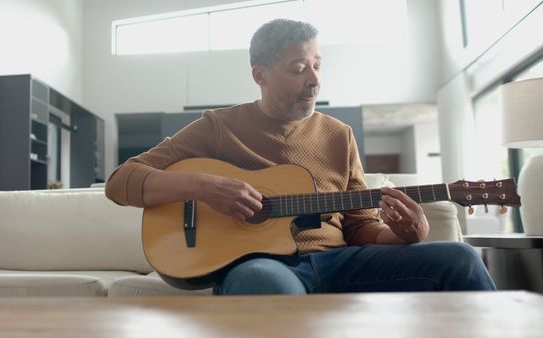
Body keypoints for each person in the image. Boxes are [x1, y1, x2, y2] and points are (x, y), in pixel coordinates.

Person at [105, 19, 495, 295]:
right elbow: (121, 181)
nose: (314, 80)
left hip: (341, 262)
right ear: (260, 74)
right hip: (262, 267)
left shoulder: (338, 136)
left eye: (317, 66)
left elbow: (360, 228)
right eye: (298, 69)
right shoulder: (218, 127)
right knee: (264, 284)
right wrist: (205, 187)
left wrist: (405, 235)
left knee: (458, 258)